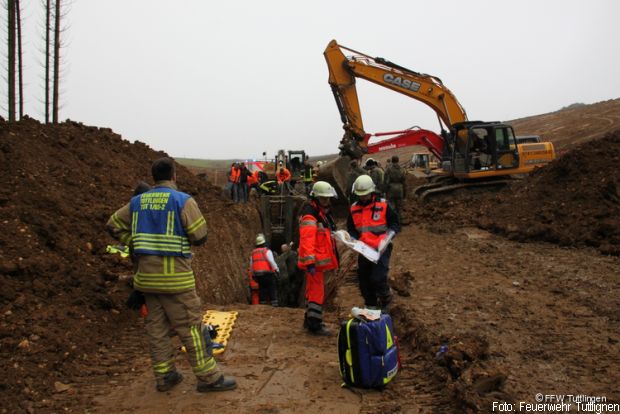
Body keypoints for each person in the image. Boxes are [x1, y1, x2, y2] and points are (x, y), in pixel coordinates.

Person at [106, 157, 236, 393]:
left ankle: (165, 376)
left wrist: (133, 243)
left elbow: (113, 224)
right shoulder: (182, 201)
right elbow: (200, 236)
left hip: (146, 280)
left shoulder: (137, 202)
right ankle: (209, 378)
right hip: (176, 279)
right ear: (174, 176)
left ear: (154, 177)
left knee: (157, 329)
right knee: (191, 328)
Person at [347, 175, 400, 312]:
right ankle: (370, 304)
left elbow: (395, 223)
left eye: (365, 194)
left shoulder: (383, 205)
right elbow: (351, 228)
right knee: (364, 279)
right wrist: (353, 239)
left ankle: (386, 298)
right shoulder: (353, 209)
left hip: (381, 248)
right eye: (360, 195)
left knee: (378, 277)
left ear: (372, 191)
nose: (363, 197)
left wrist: (389, 236)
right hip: (364, 249)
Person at [297, 181, 339, 336]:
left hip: (316, 260)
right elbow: (307, 240)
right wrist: (310, 262)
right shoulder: (310, 213)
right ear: (315, 198)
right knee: (316, 292)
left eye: (328, 199)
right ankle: (315, 325)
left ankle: (309, 321)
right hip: (315, 262)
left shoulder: (318, 211)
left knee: (312, 291)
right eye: (323, 199)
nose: (327, 202)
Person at [250, 233, 280, 306]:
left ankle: (263, 304)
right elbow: (271, 262)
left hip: (258, 275)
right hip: (268, 273)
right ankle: (274, 303)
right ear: (264, 243)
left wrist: (253, 274)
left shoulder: (253, 253)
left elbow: (251, 265)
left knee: (262, 289)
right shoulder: (266, 251)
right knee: (272, 287)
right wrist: (277, 270)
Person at [383, 155, 407, 221]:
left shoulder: (388, 169)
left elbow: (386, 181)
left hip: (391, 189)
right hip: (400, 189)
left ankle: (392, 221)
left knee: (391, 206)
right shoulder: (402, 169)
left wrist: (385, 191)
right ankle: (399, 221)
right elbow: (404, 182)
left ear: (392, 160)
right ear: (398, 160)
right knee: (399, 207)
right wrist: (404, 194)